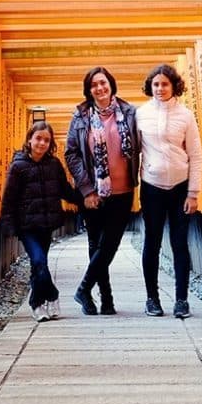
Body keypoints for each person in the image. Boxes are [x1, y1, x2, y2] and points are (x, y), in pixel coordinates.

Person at [65, 66, 140, 315]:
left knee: (109, 244)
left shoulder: (129, 113)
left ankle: (84, 288)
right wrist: (87, 189)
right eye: (94, 85)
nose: (100, 88)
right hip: (93, 194)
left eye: (103, 83)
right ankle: (103, 300)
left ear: (111, 85)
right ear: (89, 90)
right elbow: (72, 154)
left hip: (123, 191)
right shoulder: (80, 117)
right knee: (96, 243)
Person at [136, 64, 202, 319]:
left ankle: (182, 299)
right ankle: (152, 298)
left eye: (164, 84)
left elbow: (196, 155)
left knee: (179, 244)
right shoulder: (140, 114)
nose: (160, 89)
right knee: (151, 242)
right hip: (152, 187)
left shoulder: (185, 115)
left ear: (174, 86)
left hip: (180, 187)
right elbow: (133, 150)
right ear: (150, 87)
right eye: (155, 84)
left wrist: (193, 192)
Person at [0, 122, 83, 322]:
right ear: (29, 139)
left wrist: (85, 198)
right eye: (38, 138)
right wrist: (7, 224)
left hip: (47, 223)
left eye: (46, 140)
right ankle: (49, 297)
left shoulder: (54, 164)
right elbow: (9, 197)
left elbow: (65, 189)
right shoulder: (18, 166)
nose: (42, 143)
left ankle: (38, 302)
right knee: (38, 260)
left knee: (40, 264)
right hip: (26, 225)